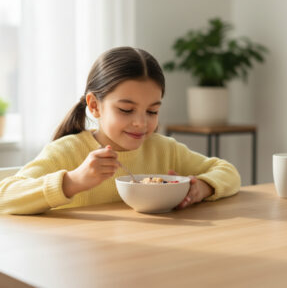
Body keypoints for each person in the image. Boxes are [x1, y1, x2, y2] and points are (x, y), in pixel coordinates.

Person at [0, 46, 240, 215]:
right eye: (126, 110)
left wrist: (202, 188)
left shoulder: (164, 149)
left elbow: (227, 171)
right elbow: (5, 196)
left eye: (152, 111)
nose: (141, 123)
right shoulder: (68, 152)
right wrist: (73, 181)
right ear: (94, 105)